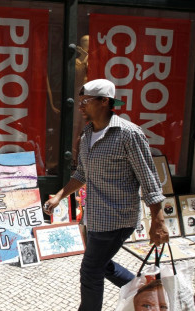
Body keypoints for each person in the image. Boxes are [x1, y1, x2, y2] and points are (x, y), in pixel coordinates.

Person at [44, 79, 169, 311]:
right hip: (94, 218)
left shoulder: (129, 134)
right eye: (80, 101)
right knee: (103, 265)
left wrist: (158, 221)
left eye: (86, 101)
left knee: (90, 271)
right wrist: (60, 195)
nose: (80, 106)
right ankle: (147, 292)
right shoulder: (87, 135)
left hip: (117, 218)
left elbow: (149, 179)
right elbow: (82, 173)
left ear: (104, 101)